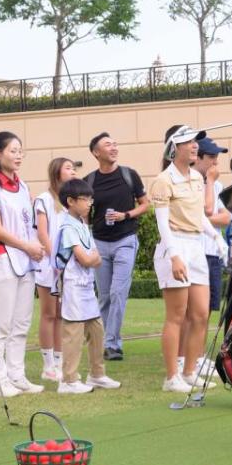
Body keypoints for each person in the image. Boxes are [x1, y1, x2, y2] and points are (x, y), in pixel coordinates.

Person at [150, 125, 222, 393]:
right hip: (175, 246)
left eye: (195, 143)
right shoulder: (163, 180)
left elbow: (198, 215)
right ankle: (172, 376)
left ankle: (190, 371)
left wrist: (216, 237)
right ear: (174, 148)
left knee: (201, 314)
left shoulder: (196, 177)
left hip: (196, 245)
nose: (195, 147)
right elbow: (163, 224)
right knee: (176, 315)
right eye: (189, 142)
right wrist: (175, 256)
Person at [0, 131, 44, 397]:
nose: (18, 156)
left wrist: (35, 247)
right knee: (0, 326)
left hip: (25, 262)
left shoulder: (23, 186)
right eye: (13, 151)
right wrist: (28, 246)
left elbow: (28, 225)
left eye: (20, 151)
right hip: (1, 261)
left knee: (21, 324)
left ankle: (17, 376)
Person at [85, 132, 150, 361]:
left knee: (117, 292)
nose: (113, 148)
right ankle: (103, 341)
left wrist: (126, 215)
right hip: (100, 242)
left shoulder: (129, 175)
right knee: (104, 296)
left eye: (115, 143)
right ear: (96, 152)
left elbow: (145, 204)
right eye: (107, 144)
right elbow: (84, 215)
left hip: (125, 239)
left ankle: (112, 344)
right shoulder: (89, 181)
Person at [54, 178, 117, 394]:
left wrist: (93, 258)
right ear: (71, 201)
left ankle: (97, 374)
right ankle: (69, 380)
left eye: (91, 198)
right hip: (72, 285)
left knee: (96, 329)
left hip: (86, 286)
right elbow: (86, 259)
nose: (90, 202)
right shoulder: (67, 226)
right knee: (73, 332)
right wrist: (92, 258)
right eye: (86, 199)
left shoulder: (81, 223)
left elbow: (95, 257)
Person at [174, 135, 229, 378]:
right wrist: (209, 186)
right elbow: (206, 211)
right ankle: (183, 358)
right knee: (190, 312)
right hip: (193, 250)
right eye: (212, 157)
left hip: (212, 251)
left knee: (206, 311)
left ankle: (197, 356)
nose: (216, 163)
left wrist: (208, 217)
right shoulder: (199, 182)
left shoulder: (217, 185)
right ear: (199, 158)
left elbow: (226, 217)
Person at [33, 157, 77, 382]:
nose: (73, 171)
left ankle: (60, 362)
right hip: (48, 266)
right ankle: (48, 364)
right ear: (57, 172)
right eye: (68, 168)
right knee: (49, 314)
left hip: (68, 266)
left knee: (62, 315)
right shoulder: (43, 200)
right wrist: (55, 260)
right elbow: (42, 233)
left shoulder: (71, 202)